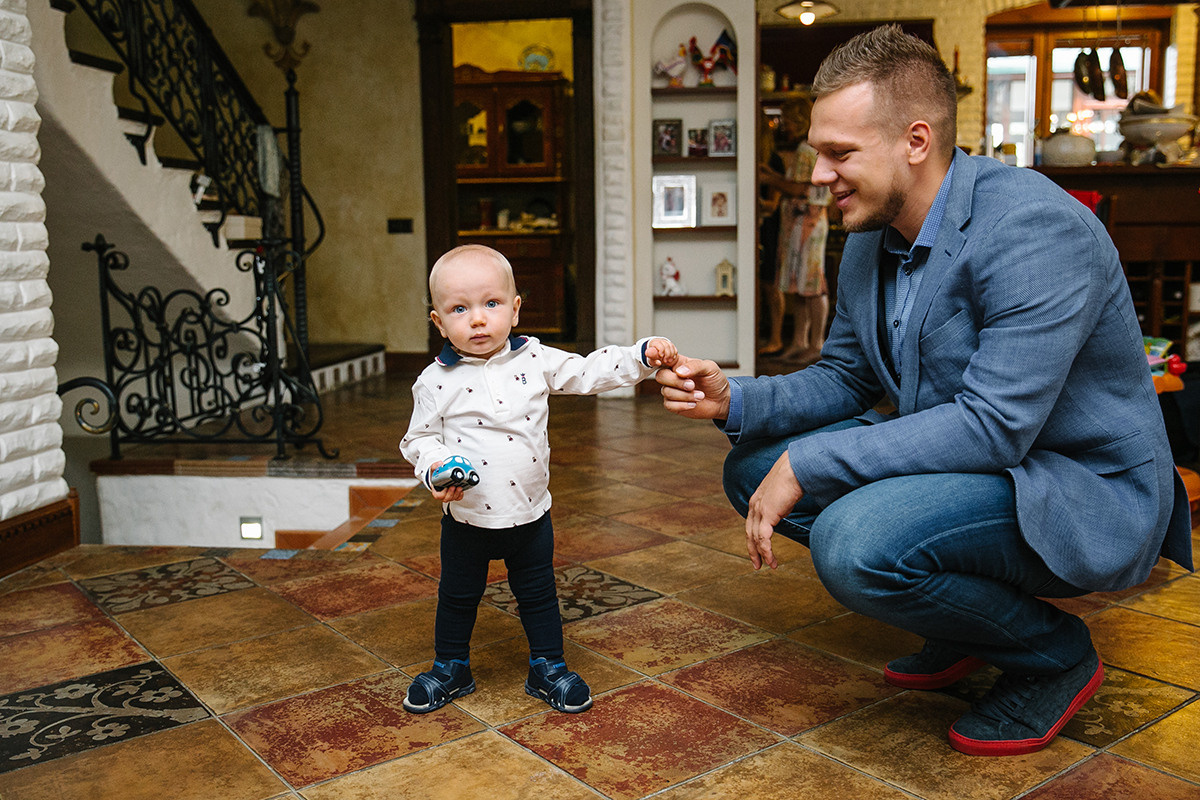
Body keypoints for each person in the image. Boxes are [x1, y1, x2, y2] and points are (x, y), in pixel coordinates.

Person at [657, 24, 1193, 757]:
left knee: (855, 544)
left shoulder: (1034, 229)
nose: (818, 175)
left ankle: (1053, 654)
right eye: (820, 150)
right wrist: (735, 400)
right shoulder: (873, 233)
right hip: (979, 465)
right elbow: (847, 375)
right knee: (751, 465)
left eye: (840, 153)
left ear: (915, 141)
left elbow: (994, 426)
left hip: (1074, 486)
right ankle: (965, 621)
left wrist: (811, 466)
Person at [400, 244, 677, 715]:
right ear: (438, 322)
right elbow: (418, 439)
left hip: (530, 513)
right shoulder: (434, 381)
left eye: (491, 304)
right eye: (459, 309)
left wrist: (641, 357)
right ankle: (450, 666)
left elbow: (588, 371)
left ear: (515, 308)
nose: (479, 320)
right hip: (466, 517)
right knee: (457, 596)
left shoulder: (534, 359)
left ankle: (547, 666)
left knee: (538, 593)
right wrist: (434, 469)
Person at [760, 97, 832, 362]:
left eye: (788, 120)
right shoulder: (807, 149)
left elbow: (803, 188)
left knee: (813, 284)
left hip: (809, 223)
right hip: (801, 224)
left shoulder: (806, 149)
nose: (784, 126)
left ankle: (817, 344)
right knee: (801, 286)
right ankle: (800, 341)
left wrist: (771, 179)